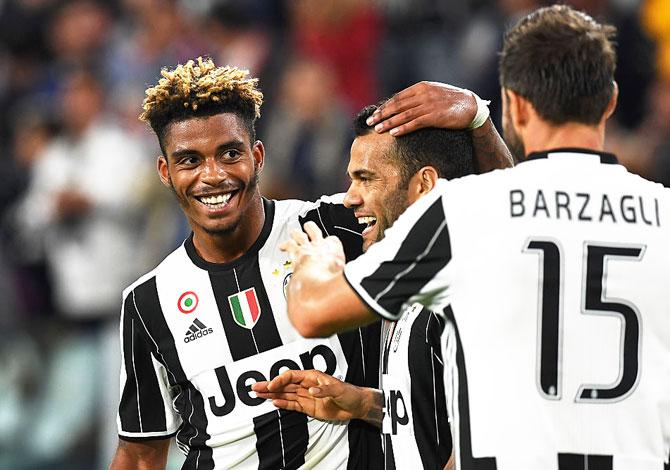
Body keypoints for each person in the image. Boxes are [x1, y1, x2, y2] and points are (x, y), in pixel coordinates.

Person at [277, 5, 670, 469]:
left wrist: (317, 258)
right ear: (609, 100)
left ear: (515, 105)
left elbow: (311, 311)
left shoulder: (464, 213)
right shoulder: (664, 215)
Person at [109, 57, 512, 469]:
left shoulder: (342, 225)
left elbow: (502, 220)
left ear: (258, 155)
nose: (212, 175)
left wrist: (478, 119)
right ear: (165, 170)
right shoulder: (147, 303)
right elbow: (141, 454)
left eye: (230, 153)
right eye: (190, 160)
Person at [254, 102, 476, 468]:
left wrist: (315, 267)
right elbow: (433, 418)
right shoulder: (411, 283)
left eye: (366, 178)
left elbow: (485, 433)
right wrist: (362, 403)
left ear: (425, 185)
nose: (350, 197)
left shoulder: (459, 283)